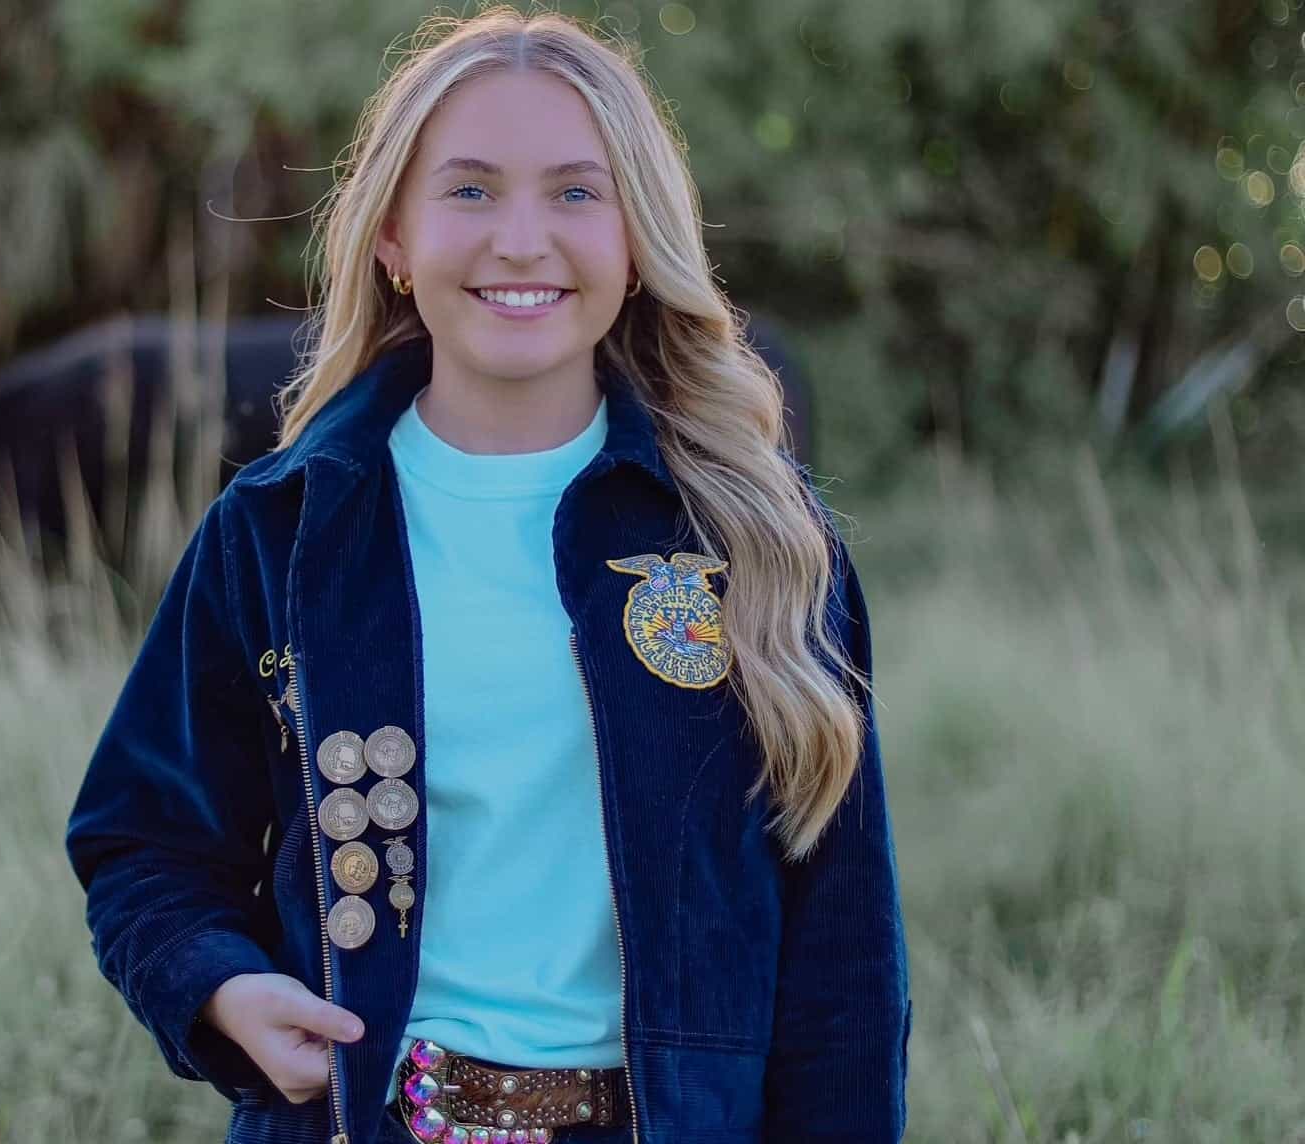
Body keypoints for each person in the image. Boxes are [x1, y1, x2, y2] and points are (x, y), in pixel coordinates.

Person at [64, 6, 910, 1144]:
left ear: (637, 239)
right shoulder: (279, 531)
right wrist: (220, 985)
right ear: (393, 237)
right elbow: (144, 840)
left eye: (576, 193)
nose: (521, 241)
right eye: (468, 190)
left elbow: (845, 965)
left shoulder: (759, 541)